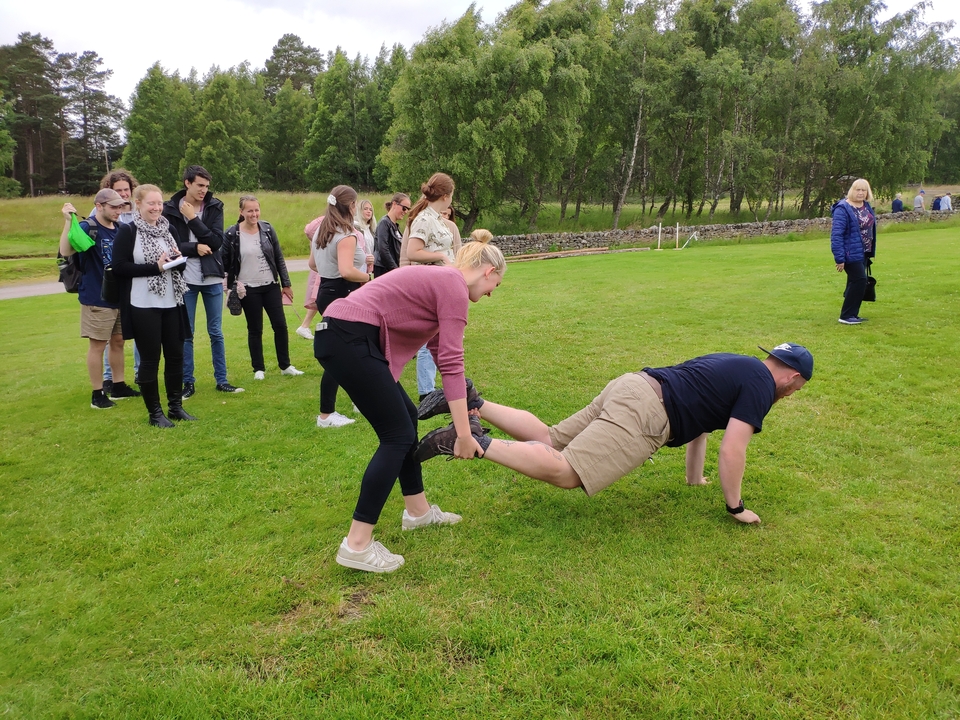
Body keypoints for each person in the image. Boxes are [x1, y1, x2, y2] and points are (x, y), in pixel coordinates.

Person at [417, 343, 813, 526]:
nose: (792, 394)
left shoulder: (739, 363)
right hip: (647, 413)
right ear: (792, 378)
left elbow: (704, 425)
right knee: (568, 472)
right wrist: (735, 506)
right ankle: (471, 441)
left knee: (551, 437)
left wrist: (695, 478)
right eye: (796, 389)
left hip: (632, 385)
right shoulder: (763, 387)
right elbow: (734, 449)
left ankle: (473, 402)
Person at [315, 237, 506, 573]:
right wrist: (463, 434)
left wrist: (466, 402)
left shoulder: (442, 281)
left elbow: (438, 350)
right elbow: (451, 361)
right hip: (347, 337)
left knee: (404, 419)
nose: (492, 293)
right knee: (397, 436)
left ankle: (417, 512)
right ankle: (357, 545)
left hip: (340, 335)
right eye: (496, 284)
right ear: (488, 271)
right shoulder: (453, 285)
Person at [113, 185, 196, 428]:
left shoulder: (167, 229)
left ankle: (175, 407)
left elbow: (175, 264)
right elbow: (119, 267)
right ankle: (155, 413)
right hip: (143, 304)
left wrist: (176, 261)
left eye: (159, 203)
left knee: (176, 356)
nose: (157, 208)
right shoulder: (128, 232)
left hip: (172, 301)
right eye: (151, 203)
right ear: (137, 203)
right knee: (150, 360)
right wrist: (156, 267)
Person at [162, 165, 243, 398]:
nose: (204, 190)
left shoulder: (214, 206)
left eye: (207, 186)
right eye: (200, 185)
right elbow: (170, 244)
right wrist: (195, 247)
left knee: (216, 332)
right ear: (187, 183)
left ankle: (222, 380)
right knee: (186, 333)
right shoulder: (169, 208)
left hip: (212, 277)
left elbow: (216, 241)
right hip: (184, 278)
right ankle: (188, 383)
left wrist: (192, 219)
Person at [57, 190, 139, 409]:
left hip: (120, 296)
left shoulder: (121, 229)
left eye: (120, 207)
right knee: (97, 345)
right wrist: (67, 222)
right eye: (113, 207)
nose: (118, 211)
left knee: (118, 341)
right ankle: (97, 393)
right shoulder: (89, 227)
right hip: (96, 295)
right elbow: (66, 250)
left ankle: (119, 385)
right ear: (99, 206)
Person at [310, 185, 373, 428]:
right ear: (351, 205)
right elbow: (347, 272)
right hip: (344, 294)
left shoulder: (321, 232)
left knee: (353, 350)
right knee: (343, 354)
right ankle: (326, 414)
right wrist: (368, 277)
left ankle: (360, 399)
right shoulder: (345, 234)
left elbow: (313, 264)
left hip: (327, 291)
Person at [224, 195, 304, 381]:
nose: (254, 214)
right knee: (255, 329)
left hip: (270, 286)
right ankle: (258, 369)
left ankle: (285, 365)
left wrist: (286, 284)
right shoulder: (232, 234)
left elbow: (279, 258)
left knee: (280, 326)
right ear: (241, 212)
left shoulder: (267, 229)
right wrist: (230, 288)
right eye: (249, 210)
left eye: (256, 210)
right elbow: (226, 263)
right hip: (248, 289)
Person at [407, 173, 458, 401]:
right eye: (452, 196)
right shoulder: (424, 219)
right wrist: (441, 257)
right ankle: (427, 391)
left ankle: (447, 387)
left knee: (440, 340)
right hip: (432, 286)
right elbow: (412, 252)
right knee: (428, 341)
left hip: (444, 284)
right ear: (445, 196)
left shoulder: (437, 217)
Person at [92, 169, 141, 393]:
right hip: (105, 285)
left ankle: (133, 376)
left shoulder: (134, 214)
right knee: (104, 339)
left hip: (128, 283)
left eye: (126, 190)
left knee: (123, 336)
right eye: (118, 191)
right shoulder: (97, 218)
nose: (123, 195)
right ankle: (107, 381)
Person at [831, 178, 877, 325]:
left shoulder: (866, 206)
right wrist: (840, 258)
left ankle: (852, 314)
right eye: (858, 189)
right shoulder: (843, 208)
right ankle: (846, 315)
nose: (861, 193)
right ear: (852, 190)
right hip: (850, 252)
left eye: (864, 190)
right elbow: (836, 235)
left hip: (863, 250)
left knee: (855, 281)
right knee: (860, 280)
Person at [295, 216, 324, 341]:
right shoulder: (326, 222)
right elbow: (309, 230)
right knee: (319, 298)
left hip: (321, 267)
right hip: (322, 268)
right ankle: (306, 326)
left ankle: (305, 326)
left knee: (319, 299)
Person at [373, 193, 410, 277]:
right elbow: (383, 249)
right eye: (404, 208)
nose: (406, 212)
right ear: (394, 204)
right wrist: (395, 270)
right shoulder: (384, 223)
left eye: (408, 209)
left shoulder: (395, 226)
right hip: (383, 269)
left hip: (390, 269)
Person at [354, 199, 377, 266]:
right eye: (365, 209)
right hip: (359, 265)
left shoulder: (371, 230)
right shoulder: (355, 227)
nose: (368, 211)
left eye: (370, 210)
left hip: (370, 264)